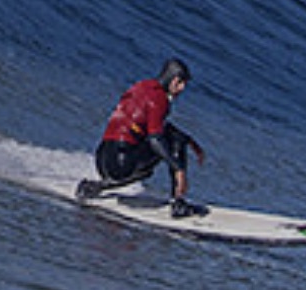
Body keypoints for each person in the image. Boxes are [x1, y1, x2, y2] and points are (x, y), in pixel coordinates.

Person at [75, 57, 208, 217]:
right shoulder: (160, 100)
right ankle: (178, 203)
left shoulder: (142, 87)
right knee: (173, 143)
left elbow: (155, 125)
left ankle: (94, 187)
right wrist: (178, 168)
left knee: (151, 163)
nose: (182, 89)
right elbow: (155, 139)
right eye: (182, 84)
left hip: (103, 157)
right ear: (174, 81)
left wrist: (190, 141)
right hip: (121, 163)